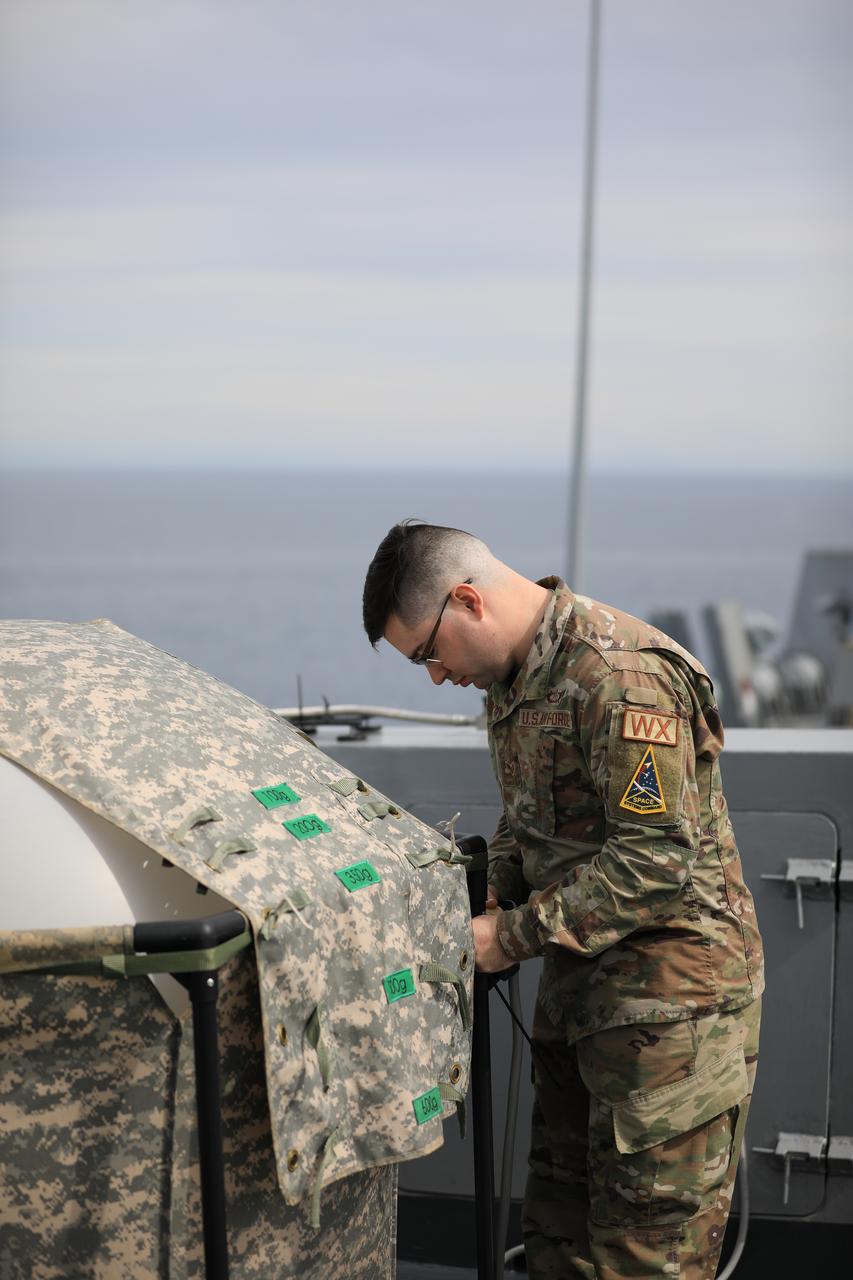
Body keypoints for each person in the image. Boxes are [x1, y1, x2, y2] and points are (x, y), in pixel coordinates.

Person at [362, 520, 764, 1280]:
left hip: (671, 1019)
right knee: (559, 1245)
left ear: (468, 602)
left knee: (644, 1261)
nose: (436, 678)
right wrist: (489, 891)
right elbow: (529, 821)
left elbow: (654, 863)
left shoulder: (620, 676)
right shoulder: (513, 681)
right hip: (584, 1005)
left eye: (428, 653)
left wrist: (507, 937)